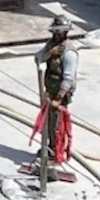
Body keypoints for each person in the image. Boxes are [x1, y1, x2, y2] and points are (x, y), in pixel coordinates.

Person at [33, 15, 77, 170]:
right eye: (55, 32)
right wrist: (49, 54)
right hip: (50, 92)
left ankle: (56, 154)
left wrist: (58, 98)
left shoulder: (69, 53)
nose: (56, 35)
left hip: (59, 96)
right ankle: (49, 149)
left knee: (57, 126)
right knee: (48, 123)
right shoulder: (51, 45)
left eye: (60, 33)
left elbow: (68, 78)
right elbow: (38, 58)